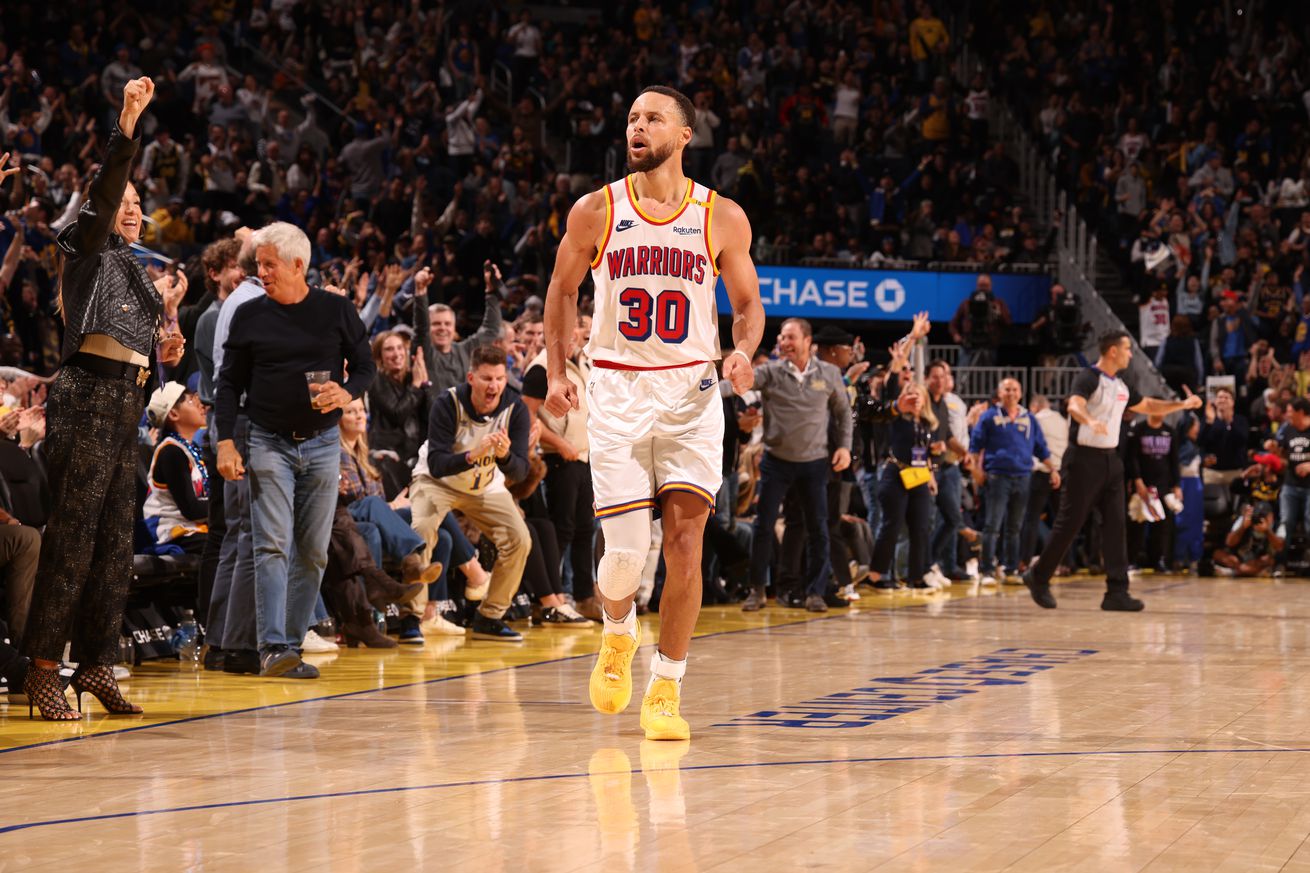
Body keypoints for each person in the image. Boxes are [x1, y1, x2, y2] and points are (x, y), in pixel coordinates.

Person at [543, 85, 764, 741]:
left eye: (653, 118)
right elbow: (562, 291)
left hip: (692, 393)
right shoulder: (596, 209)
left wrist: (744, 350)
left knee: (687, 544)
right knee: (624, 557)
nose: (638, 127)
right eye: (632, 118)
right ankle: (616, 632)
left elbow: (748, 305)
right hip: (615, 387)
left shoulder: (720, 215)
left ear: (685, 133)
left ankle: (666, 686)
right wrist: (557, 372)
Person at [20, 77, 186, 720]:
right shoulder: (86, 248)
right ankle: (40, 669)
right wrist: (127, 125)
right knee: (73, 540)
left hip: (128, 406)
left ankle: (94, 665)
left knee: (117, 544)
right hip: (87, 398)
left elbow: (143, 345)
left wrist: (167, 350)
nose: (132, 208)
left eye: (140, 203)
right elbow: (107, 190)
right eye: (124, 201)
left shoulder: (136, 270)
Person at [215, 221, 376, 680]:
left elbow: (364, 366)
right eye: (258, 265)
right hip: (268, 440)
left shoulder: (336, 310)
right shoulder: (248, 315)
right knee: (271, 544)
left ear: (298, 265)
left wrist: (346, 394)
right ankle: (274, 649)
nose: (260, 272)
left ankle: (290, 639)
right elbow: (228, 385)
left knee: (313, 551)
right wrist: (226, 439)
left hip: (324, 443)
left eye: (269, 264)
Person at [1022, 331, 1202, 612]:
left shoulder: (1121, 385)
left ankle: (1116, 591)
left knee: (1117, 525)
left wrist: (1181, 405)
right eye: (1128, 349)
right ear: (1113, 351)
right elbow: (1074, 405)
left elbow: (1148, 405)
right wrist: (1090, 421)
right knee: (1070, 523)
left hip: (1111, 461)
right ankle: (1039, 575)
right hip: (1083, 460)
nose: (1131, 354)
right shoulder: (1088, 377)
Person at [408, 344, 533, 642]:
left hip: (484, 486)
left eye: (500, 379)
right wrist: (471, 456)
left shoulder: (515, 409)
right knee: (421, 530)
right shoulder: (447, 402)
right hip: (437, 483)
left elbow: (520, 472)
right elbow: (437, 464)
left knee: (520, 539)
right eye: (487, 378)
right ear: (471, 378)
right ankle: (411, 616)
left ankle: (490, 616)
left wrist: (504, 458)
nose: (494, 386)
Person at [743, 317, 854, 613]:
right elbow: (737, 386)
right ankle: (756, 590)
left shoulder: (829, 374)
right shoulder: (770, 372)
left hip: (815, 463)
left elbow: (844, 413)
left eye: (790, 337)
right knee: (763, 526)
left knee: (818, 528)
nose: (783, 342)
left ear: (808, 342)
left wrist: (844, 447)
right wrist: (708, 384)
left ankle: (815, 592)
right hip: (776, 462)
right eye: (781, 337)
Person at [970, 377, 1056, 586]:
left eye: (1015, 389)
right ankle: (988, 571)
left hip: (1023, 476)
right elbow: (975, 446)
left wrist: (1053, 469)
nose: (1011, 393)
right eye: (1007, 389)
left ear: (1021, 393)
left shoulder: (1029, 418)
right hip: (997, 476)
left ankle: (1010, 569)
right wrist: (975, 471)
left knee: (1015, 527)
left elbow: (1041, 447)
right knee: (992, 525)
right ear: (999, 393)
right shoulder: (989, 417)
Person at [143, 382, 210, 555]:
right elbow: (191, 509)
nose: (200, 405)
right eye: (191, 401)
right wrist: (225, 507)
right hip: (171, 531)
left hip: (193, 528)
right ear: (173, 413)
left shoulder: (190, 449)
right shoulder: (171, 452)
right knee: (224, 548)